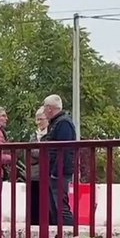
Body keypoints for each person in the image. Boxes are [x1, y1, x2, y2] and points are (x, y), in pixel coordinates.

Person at [40, 94, 78, 228]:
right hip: (55, 170)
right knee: (55, 207)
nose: (44, 111)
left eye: (45, 108)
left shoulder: (63, 123)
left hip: (59, 171)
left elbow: (64, 149)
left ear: (50, 108)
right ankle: (61, 237)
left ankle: (70, 236)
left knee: (61, 206)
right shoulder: (58, 122)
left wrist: (56, 171)